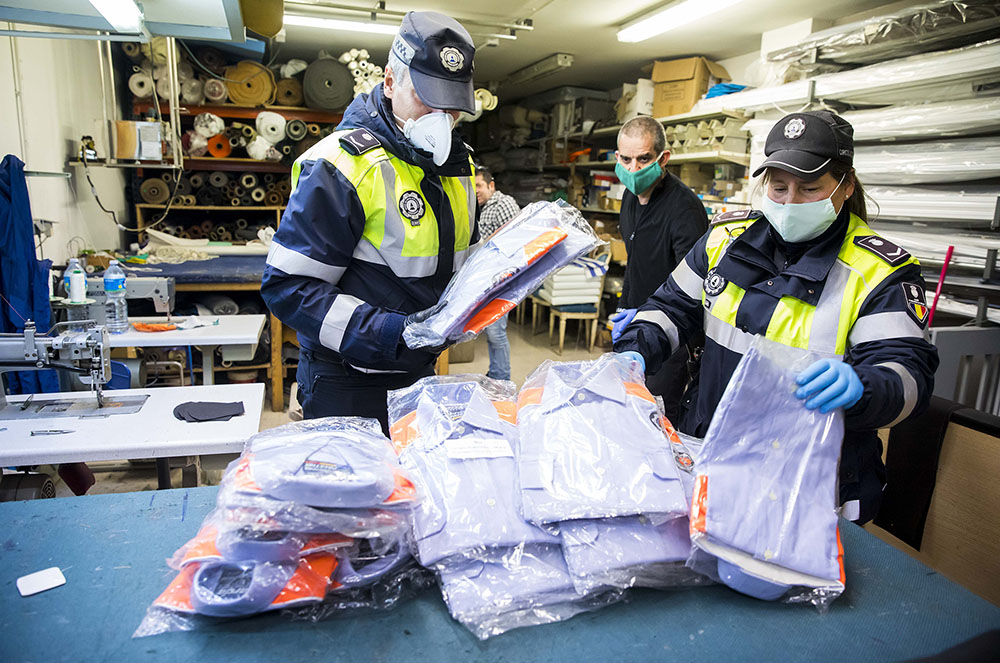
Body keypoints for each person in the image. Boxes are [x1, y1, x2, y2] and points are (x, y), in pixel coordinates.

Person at [614, 110, 939, 526]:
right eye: (779, 187)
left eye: (809, 189)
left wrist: (865, 387)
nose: (789, 203)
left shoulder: (879, 273)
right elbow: (671, 307)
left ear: (845, 186)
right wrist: (637, 349)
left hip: (809, 487)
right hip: (709, 456)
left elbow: (910, 377)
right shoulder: (724, 239)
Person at [261, 11, 479, 433]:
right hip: (346, 380)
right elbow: (288, 287)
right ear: (390, 81)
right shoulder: (339, 166)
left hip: (419, 369)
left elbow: (454, 264)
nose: (441, 118)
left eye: (452, 106)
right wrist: (390, 334)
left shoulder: (458, 165)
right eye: (428, 98)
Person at [607, 116, 708, 421]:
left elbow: (692, 288)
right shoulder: (629, 196)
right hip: (630, 322)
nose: (633, 169)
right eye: (626, 159)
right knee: (627, 408)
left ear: (663, 158)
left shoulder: (684, 209)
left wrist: (648, 318)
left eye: (643, 159)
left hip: (668, 334)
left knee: (658, 414)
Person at [474, 166, 520, 380]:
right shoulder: (482, 207)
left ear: (491, 185)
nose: (475, 190)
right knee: (491, 332)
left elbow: (519, 238)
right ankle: (495, 374)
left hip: (502, 279)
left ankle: (501, 379)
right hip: (488, 279)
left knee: (495, 332)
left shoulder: (503, 203)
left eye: (479, 186)